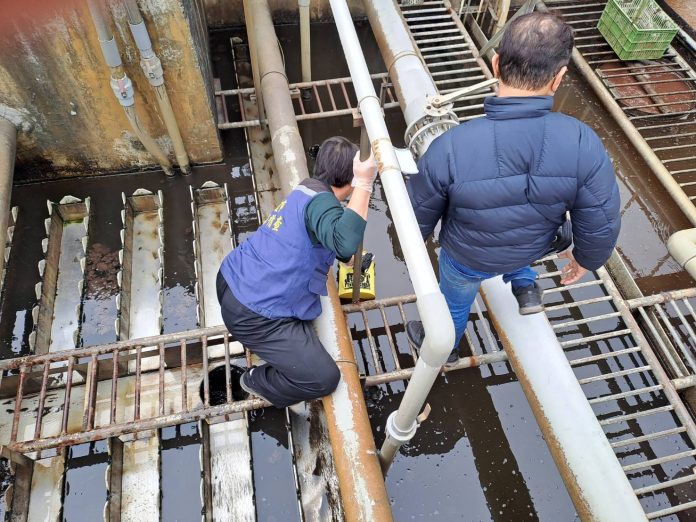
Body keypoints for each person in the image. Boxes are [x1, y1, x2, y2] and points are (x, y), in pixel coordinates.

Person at [406, 12, 621, 362]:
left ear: (495, 64)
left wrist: (409, 253)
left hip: (467, 257)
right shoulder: (583, 141)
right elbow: (602, 219)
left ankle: (445, 348)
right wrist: (586, 259)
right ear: (559, 78)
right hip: (532, 245)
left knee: (455, 302)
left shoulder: (451, 146)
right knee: (526, 228)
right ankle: (526, 289)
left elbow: (416, 218)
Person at [216, 136, 377, 408]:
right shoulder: (323, 204)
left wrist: (345, 259)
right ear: (350, 180)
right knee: (324, 378)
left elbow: (326, 240)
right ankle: (254, 380)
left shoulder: (307, 189)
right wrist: (365, 183)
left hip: (233, 277)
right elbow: (345, 242)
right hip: (253, 313)